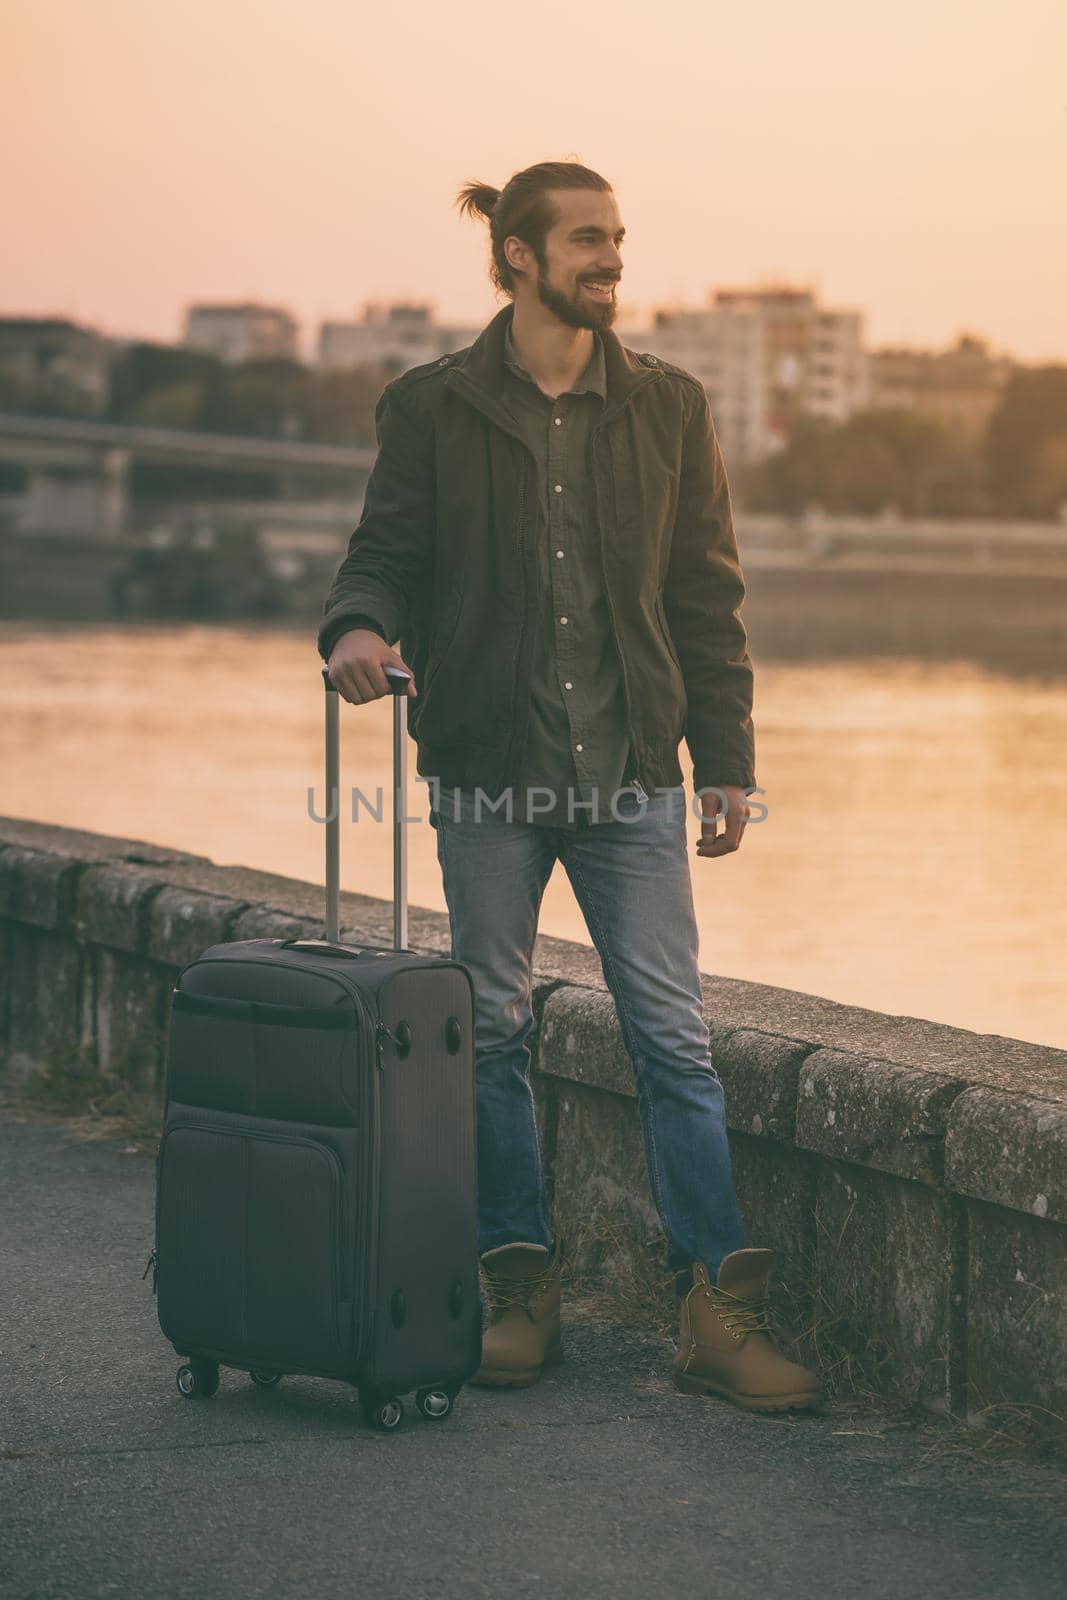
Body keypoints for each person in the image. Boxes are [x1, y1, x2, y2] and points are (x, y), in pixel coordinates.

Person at [319, 159, 822, 1415]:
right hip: (487, 771)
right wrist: (357, 629)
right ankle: (516, 1289)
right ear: (518, 258)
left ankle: (714, 1309)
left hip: (633, 781)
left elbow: (706, 594)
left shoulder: (667, 405)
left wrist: (730, 766)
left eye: (616, 239)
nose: (610, 259)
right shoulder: (430, 406)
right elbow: (383, 549)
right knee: (489, 1029)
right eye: (587, 241)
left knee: (673, 1042)